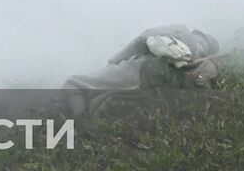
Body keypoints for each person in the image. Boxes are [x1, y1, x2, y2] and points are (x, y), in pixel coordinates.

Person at [61, 24, 221, 116]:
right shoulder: (208, 64)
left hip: (137, 68)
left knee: (75, 82)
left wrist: (114, 61)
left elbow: (140, 41)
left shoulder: (181, 30)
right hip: (157, 91)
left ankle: (79, 117)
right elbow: (199, 82)